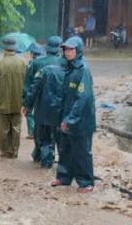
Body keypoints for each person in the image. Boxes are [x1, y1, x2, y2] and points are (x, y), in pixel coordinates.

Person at [52, 36, 96, 192]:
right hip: (67, 117)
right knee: (65, 149)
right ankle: (64, 177)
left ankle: (86, 182)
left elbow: (83, 98)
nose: (67, 52)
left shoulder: (83, 69)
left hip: (81, 120)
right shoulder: (70, 68)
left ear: (78, 50)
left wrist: (71, 118)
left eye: (70, 49)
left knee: (82, 151)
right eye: (65, 49)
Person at [23, 39, 66, 169]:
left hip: (42, 107)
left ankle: (43, 159)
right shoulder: (66, 65)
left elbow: (30, 86)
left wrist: (26, 104)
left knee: (42, 135)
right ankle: (60, 164)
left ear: (46, 49)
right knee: (58, 137)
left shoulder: (37, 63)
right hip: (60, 109)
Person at [0, 36, 26, 158]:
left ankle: (6, 151)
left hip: (2, 102)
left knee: (3, 129)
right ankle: (14, 152)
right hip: (18, 102)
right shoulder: (23, 62)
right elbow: (27, 83)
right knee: (16, 128)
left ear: (4, 48)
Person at [22, 42, 42, 138]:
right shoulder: (44, 61)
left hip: (33, 90)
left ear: (33, 53)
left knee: (29, 111)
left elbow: (28, 80)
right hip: (43, 92)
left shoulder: (33, 63)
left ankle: (31, 132)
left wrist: (25, 94)